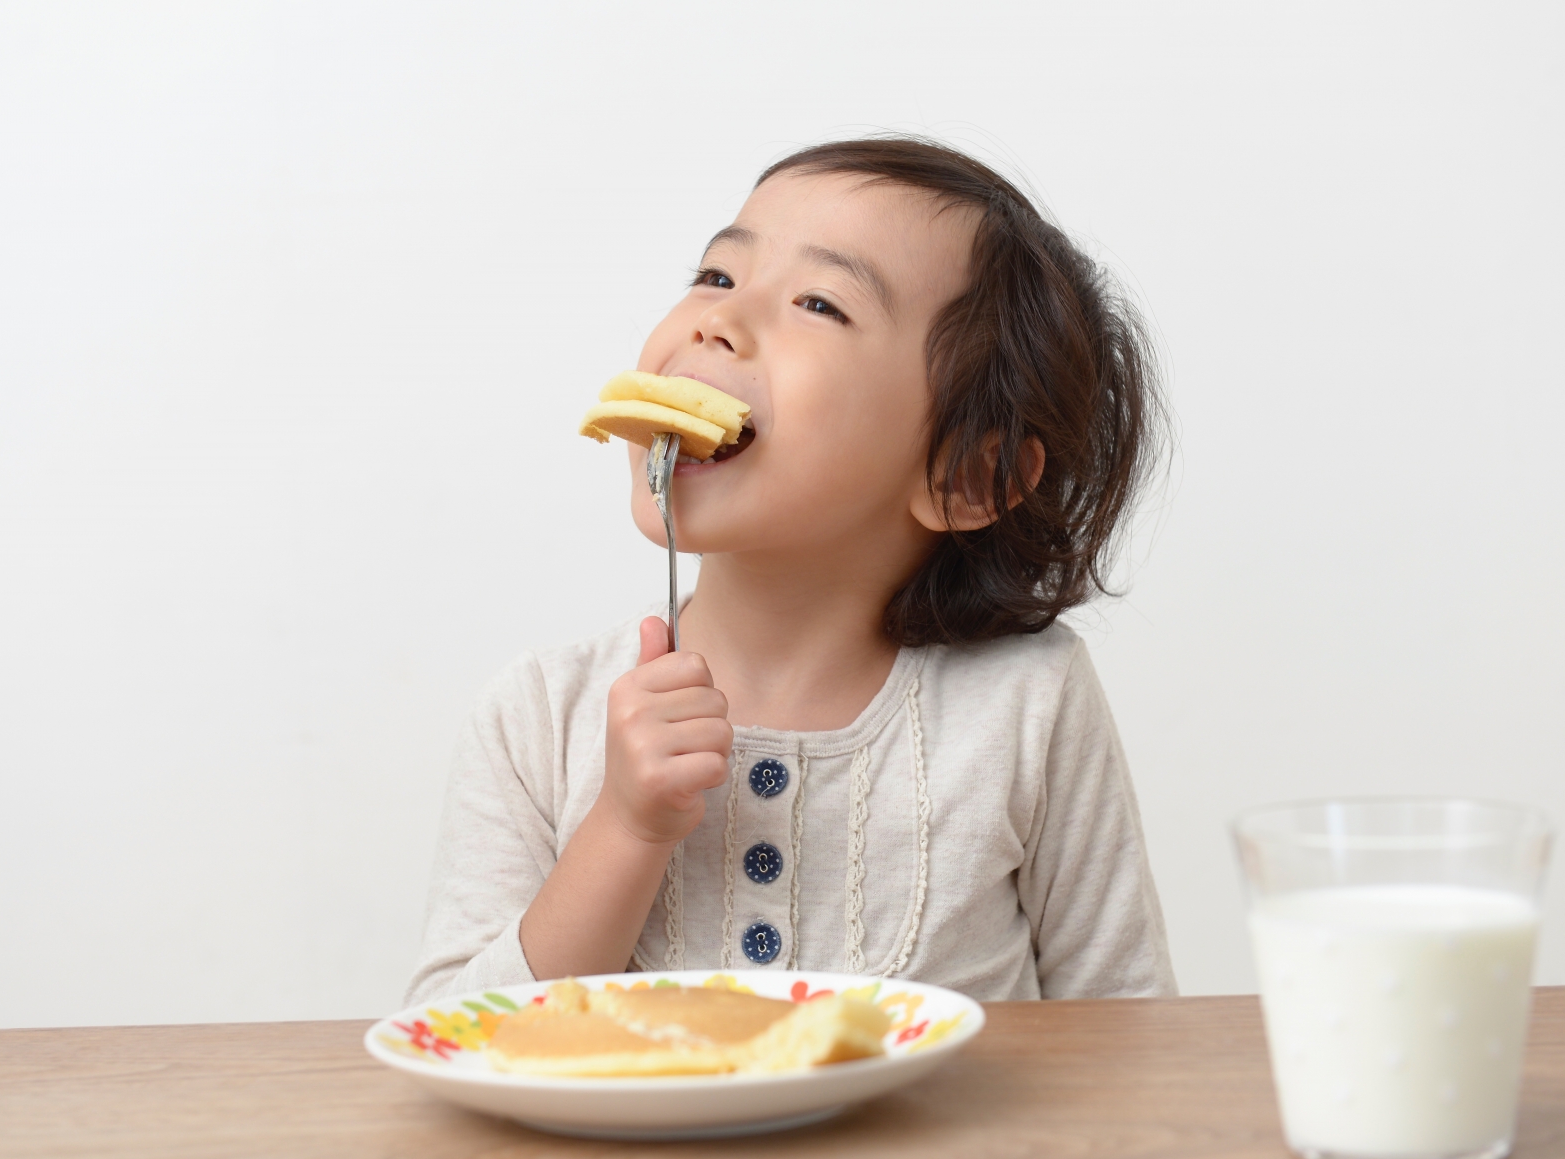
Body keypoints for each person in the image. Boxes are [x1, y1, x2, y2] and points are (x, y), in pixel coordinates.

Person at [406, 137, 1175, 1003]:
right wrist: (624, 828)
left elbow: (1128, 1030)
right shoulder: (541, 719)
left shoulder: (1026, 706)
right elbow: (455, 1035)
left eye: (819, 302)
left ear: (965, 475)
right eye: (717, 275)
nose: (715, 320)